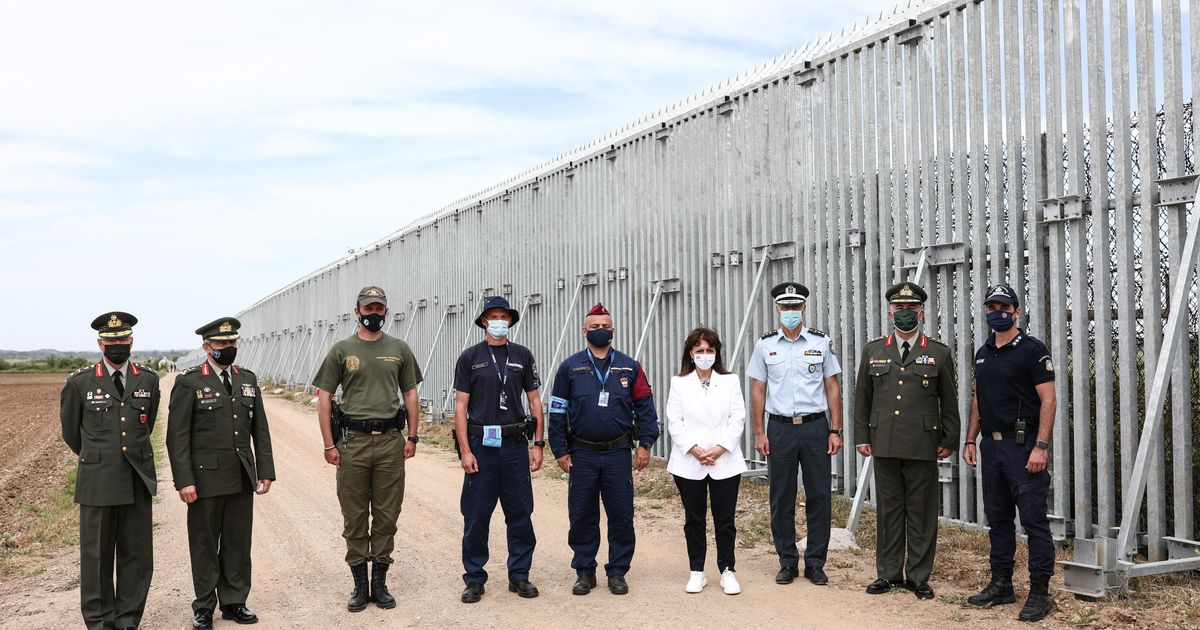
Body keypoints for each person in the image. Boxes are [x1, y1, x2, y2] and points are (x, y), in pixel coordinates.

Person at [313, 286, 422, 612]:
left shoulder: (399, 348)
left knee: (388, 515)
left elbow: (411, 395)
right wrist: (329, 444)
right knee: (355, 516)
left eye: (379, 308)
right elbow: (324, 398)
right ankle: (360, 586)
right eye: (367, 308)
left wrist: (413, 436)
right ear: (357, 311)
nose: (373, 313)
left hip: (390, 441)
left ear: (386, 311)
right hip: (353, 444)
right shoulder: (341, 349)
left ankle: (380, 584)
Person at [167, 317, 275, 629]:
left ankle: (234, 602)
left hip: (241, 476)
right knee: (204, 544)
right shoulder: (189, 382)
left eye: (232, 343)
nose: (228, 348)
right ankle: (203, 606)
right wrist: (184, 480)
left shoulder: (247, 379)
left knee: (237, 543)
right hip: (204, 480)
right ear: (206, 347)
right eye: (221, 344)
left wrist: (264, 471)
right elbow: (177, 438)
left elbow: (261, 430)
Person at [853, 282, 958, 600]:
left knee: (922, 512)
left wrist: (950, 439)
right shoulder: (874, 350)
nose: (905, 313)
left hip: (923, 444)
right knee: (888, 510)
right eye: (900, 308)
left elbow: (949, 401)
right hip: (883, 441)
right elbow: (863, 398)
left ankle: (918, 576)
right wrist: (861, 436)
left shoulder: (938, 352)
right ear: (890, 312)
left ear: (922, 313)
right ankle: (887, 574)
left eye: (911, 308)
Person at [547, 302, 660, 596]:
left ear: (613, 330)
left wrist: (645, 444)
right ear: (584, 331)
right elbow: (557, 412)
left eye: (605, 327)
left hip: (617, 454)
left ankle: (618, 572)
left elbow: (645, 407)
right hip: (582, 453)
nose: (600, 331)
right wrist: (559, 449)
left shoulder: (629, 366)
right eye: (595, 327)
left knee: (621, 514)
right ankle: (585, 571)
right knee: (582, 514)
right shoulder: (569, 368)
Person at [962, 283, 1056, 622]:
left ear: (1016, 311)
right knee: (998, 519)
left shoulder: (1032, 350)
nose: (997, 312)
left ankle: (1040, 592)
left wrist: (1041, 447)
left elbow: (1048, 399)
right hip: (992, 445)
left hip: (1024, 446)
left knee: (1033, 521)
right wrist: (970, 439)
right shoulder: (983, 351)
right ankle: (1001, 584)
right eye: (991, 307)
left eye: (1003, 307)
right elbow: (978, 398)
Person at [60, 312, 159, 630]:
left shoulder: (148, 380)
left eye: (123, 339)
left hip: (135, 479)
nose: (117, 344)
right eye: (111, 340)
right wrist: (100, 457)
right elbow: (72, 434)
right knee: (96, 557)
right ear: (100, 343)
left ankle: (128, 618)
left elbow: (147, 424)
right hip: (98, 482)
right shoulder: (80, 383)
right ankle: (100, 621)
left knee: (136, 555)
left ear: (131, 340)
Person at [748, 282, 843, 586]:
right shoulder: (765, 345)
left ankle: (815, 563)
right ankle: (787, 561)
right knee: (781, 497)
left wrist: (835, 429)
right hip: (780, 429)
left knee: (819, 496)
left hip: (816, 427)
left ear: (804, 308)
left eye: (795, 307)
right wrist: (759, 432)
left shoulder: (821, 342)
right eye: (784, 307)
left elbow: (832, 386)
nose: (790, 312)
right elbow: (758, 390)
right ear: (777, 309)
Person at [453, 296, 546, 604]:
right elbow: (461, 406)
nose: (498, 321)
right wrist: (465, 451)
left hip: (515, 445)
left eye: (503, 316)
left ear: (510, 321)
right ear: (483, 321)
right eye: (492, 316)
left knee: (520, 512)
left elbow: (534, 401)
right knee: (476, 515)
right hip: (481, 446)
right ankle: (475, 578)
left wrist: (539, 444)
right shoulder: (470, 357)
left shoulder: (522, 355)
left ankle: (519, 576)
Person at [665, 327, 746, 595]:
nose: (704, 355)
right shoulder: (679, 383)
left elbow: (738, 418)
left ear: (717, 353)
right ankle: (696, 571)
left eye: (709, 351)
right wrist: (695, 449)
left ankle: (727, 570)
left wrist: (721, 448)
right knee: (694, 519)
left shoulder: (730, 381)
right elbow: (674, 421)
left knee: (725, 519)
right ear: (690, 353)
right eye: (699, 351)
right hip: (690, 461)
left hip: (725, 460)